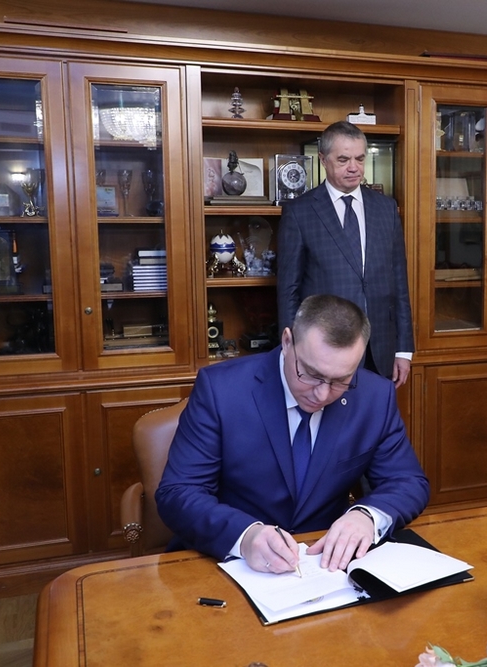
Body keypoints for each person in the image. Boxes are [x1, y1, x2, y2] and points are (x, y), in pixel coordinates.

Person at [156, 294, 429, 573]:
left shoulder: (375, 396)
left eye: (340, 381)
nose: (322, 394)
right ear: (287, 342)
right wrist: (244, 535)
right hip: (230, 563)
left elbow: (408, 481)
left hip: (323, 566)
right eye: (310, 374)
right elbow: (178, 492)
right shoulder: (221, 390)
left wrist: (367, 517)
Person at [277, 121, 414, 388]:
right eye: (343, 160)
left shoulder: (386, 209)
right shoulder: (299, 212)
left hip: (381, 349)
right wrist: (291, 350)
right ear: (323, 160)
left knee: (375, 415)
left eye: (360, 159)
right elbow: (288, 289)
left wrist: (404, 349)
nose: (354, 167)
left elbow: (400, 282)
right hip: (324, 350)